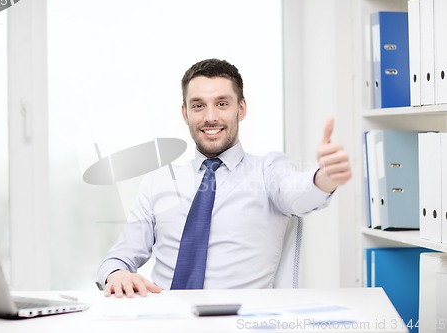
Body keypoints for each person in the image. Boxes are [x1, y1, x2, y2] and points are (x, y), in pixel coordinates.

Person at [96, 58, 351, 298]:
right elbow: (120, 256)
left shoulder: (268, 170)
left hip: (240, 323)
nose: (210, 117)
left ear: (241, 109)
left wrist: (324, 178)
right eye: (198, 106)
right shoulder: (158, 182)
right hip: (167, 321)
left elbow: (297, 192)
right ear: (185, 113)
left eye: (222, 103)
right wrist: (116, 274)